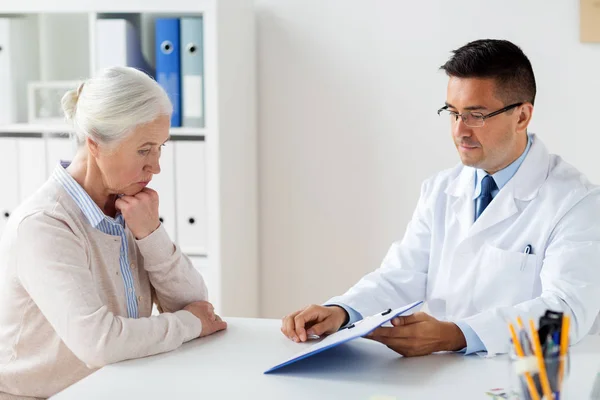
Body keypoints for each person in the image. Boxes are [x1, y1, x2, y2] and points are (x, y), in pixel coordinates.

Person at [281, 39, 600, 357]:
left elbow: (567, 314)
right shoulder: (441, 189)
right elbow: (401, 275)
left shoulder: (575, 202)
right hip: (439, 376)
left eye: (476, 115)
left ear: (521, 117)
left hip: (524, 377)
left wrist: (458, 335)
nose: (460, 130)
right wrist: (343, 310)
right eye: (453, 112)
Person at [0, 66, 226, 399]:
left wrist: (151, 234)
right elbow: (99, 344)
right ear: (95, 144)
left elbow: (194, 303)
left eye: (161, 147)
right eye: (144, 149)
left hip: (116, 386)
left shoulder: (129, 207)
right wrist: (190, 324)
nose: (156, 166)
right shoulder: (44, 225)